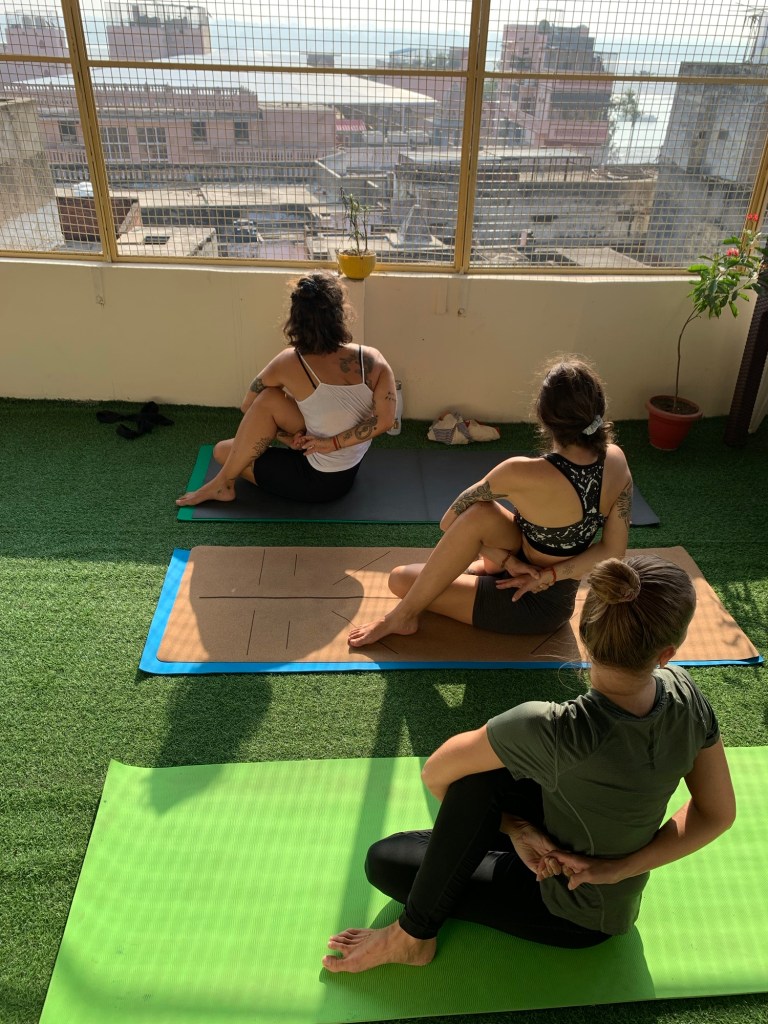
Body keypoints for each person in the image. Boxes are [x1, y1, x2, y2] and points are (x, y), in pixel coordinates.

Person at [323, 554, 736, 973]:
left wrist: (594, 861)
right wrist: (607, 865)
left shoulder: (548, 727)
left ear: (583, 631)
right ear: (667, 652)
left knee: (386, 858)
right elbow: (717, 813)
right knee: (486, 775)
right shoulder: (686, 694)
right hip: (605, 893)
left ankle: (413, 937)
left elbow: (436, 774)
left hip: (572, 913)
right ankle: (503, 849)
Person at [348, 358, 633, 647]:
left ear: (543, 416)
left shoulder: (520, 472)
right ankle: (490, 569)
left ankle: (403, 617)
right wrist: (512, 562)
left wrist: (541, 576)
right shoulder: (616, 461)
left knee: (399, 580)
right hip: (539, 576)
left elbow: (448, 521)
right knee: (480, 514)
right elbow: (613, 551)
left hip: (536, 605)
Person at [176, 272, 396, 506]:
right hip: (346, 467)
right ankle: (225, 482)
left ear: (296, 319)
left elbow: (248, 405)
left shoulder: (288, 362)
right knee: (269, 400)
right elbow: (385, 421)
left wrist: (317, 442)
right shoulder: (372, 359)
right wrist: (294, 439)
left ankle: (223, 484)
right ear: (340, 314)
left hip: (320, 481)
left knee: (222, 451)